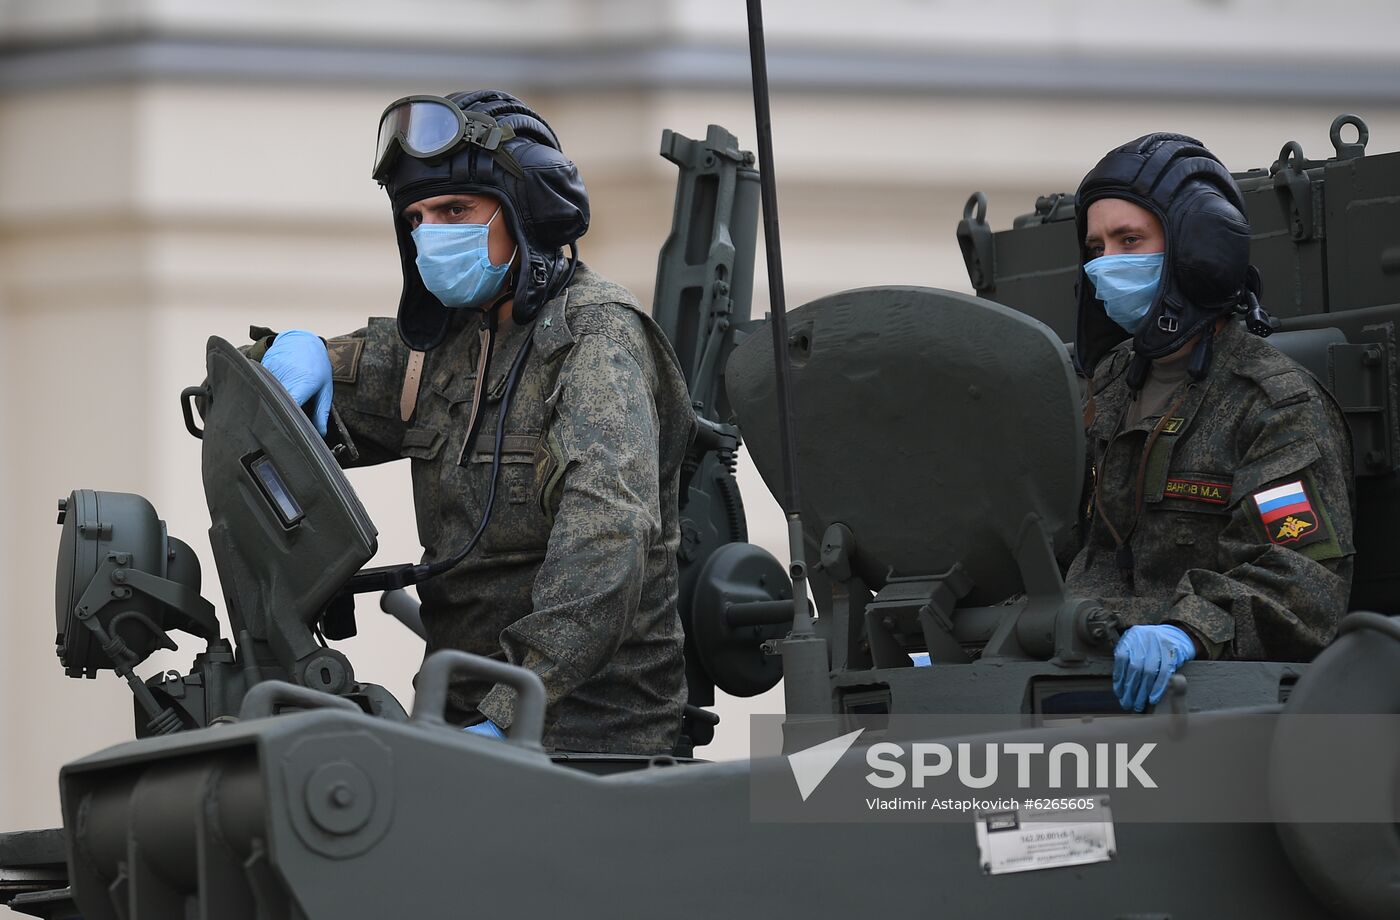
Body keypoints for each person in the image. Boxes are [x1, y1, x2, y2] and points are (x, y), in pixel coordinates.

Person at [255, 90, 693, 754]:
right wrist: (291, 351)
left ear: (531, 212)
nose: (432, 231)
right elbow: (260, 395)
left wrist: (510, 710)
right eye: (419, 216)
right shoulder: (443, 350)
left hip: (591, 740)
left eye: (456, 210)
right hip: (456, 729)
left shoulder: (595, 337)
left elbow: (607, 542)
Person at [1063, 133, 1355, 713]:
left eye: (1130, 241)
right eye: (1096, 246)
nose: (1106, 265)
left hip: (1208, 700)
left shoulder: (1273, 403)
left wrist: (1185, 630)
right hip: (1076, 671)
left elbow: (1301, 585)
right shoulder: (1107, 383)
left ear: (1199, 250)